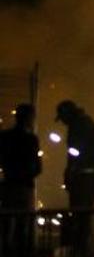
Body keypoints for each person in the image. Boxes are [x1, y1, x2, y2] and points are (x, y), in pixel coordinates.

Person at [56, 100, 94, 257]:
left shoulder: (78, 125)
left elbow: (76, 152)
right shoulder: (84, 123)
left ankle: (80, 246)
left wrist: (71, 170)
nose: (62, 122)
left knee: (80, 211)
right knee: (82, 212)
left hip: (84, 174)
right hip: (87, 173)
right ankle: (81, 245)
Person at [0, 104, 42, 257]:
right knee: (23, 226)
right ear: (29, 118)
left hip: (8, 185)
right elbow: (38, 167)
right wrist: (28, 174)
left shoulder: (4, 137)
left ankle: (5, 251)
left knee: (6, 225)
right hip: (25, 187)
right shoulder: (31, 139)